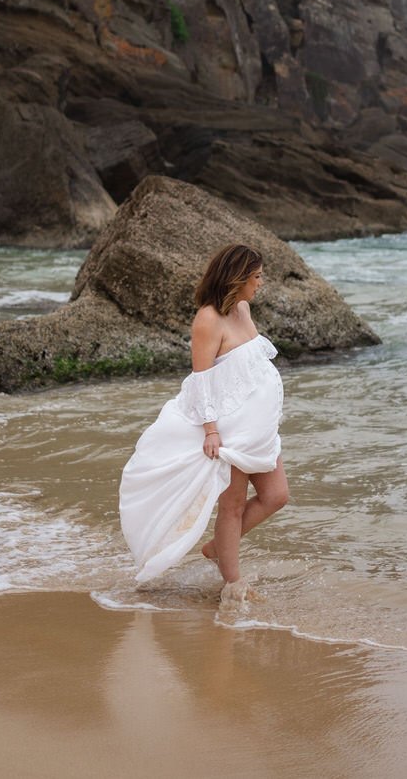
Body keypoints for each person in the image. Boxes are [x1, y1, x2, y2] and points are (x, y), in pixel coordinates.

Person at [118, 244, 288, 604]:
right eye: (256, 276)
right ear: (237, 278)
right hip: (229, 430)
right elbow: (201, 380)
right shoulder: (207, 320)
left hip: (258, 429)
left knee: (276, 496)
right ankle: (233, 584)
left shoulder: (242, 308)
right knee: (233, 505)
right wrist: (212, 431)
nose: (261, 283)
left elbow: (253, 365)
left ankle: (217, 549)